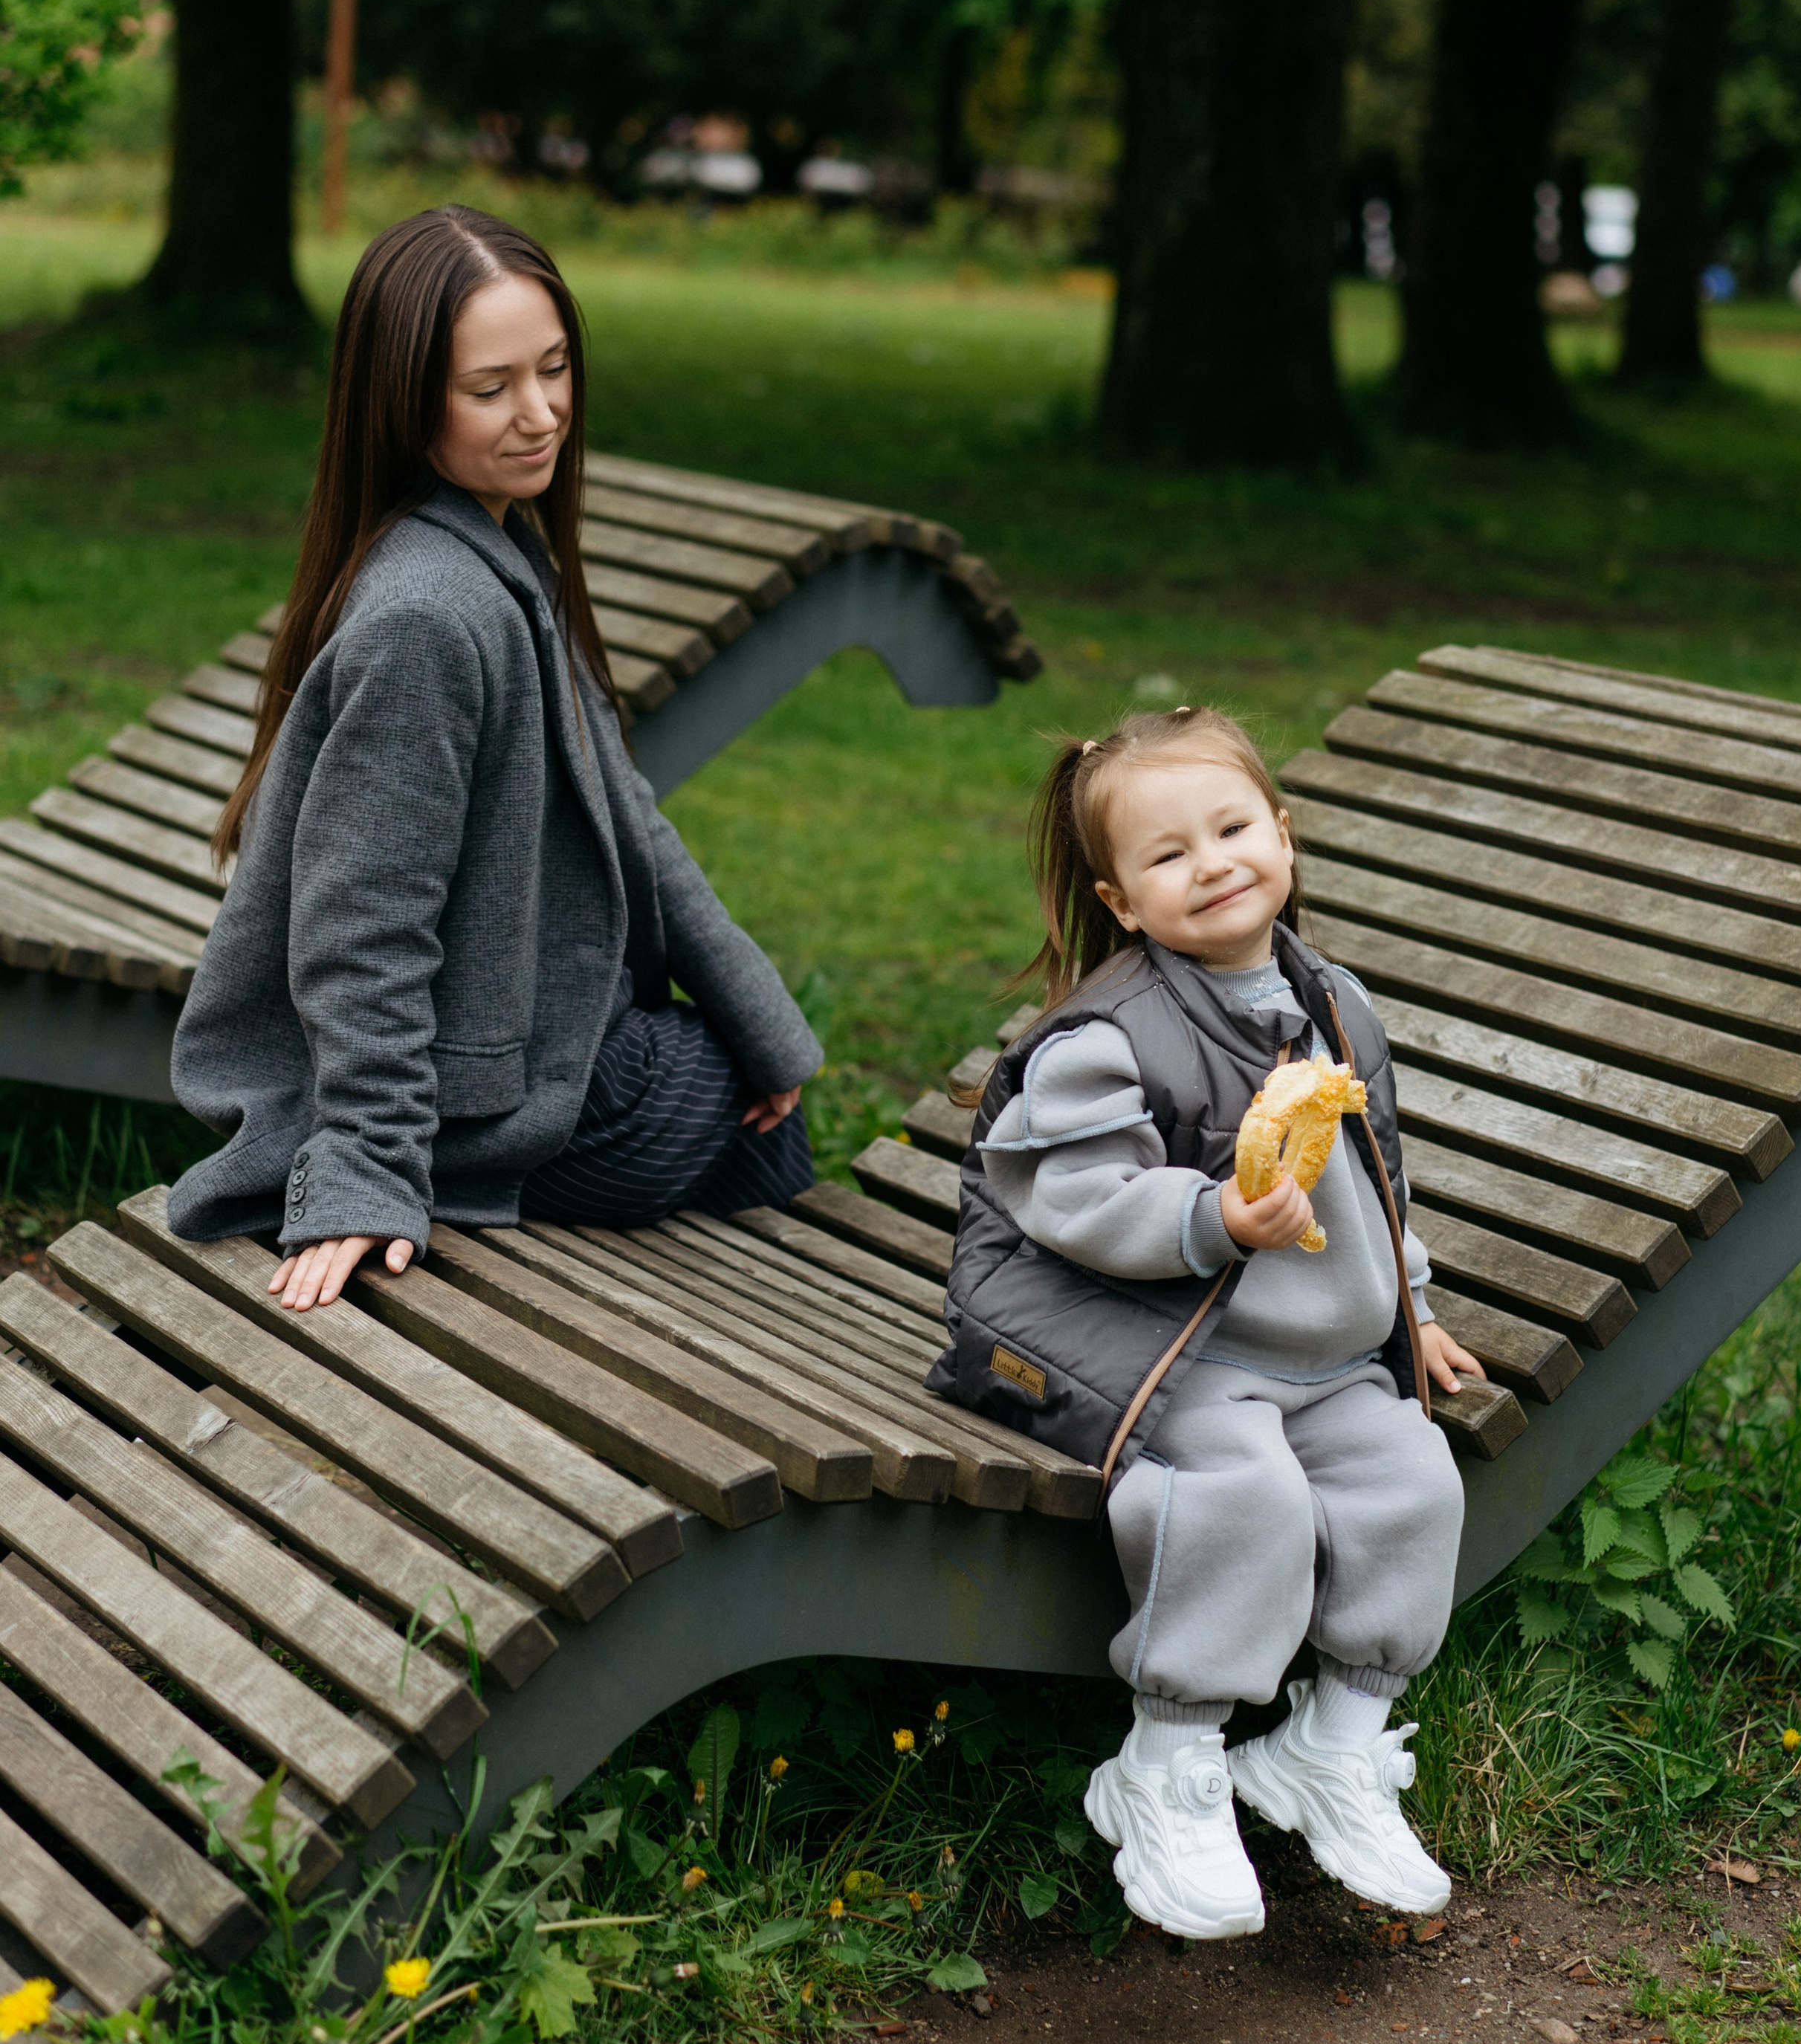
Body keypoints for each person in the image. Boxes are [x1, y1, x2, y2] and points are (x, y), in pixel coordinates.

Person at [168, 204, 821, 1312]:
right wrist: (370, 1165)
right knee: (752, 1128)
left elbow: (626, 810)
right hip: (490, 1099)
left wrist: (762, 1023)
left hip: (532, 1043)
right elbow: (361, 927)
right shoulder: (429, 616)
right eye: (491, 388)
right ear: (403, 401)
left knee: (762, 1106)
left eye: (555, 369)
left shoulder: (498, 550)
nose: (542, 413)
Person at [926, 706, 1482, 1941]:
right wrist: (1211, 1216)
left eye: (1233, 830)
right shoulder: (1110, 1037)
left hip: (1328, 1358)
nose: (1214, 864)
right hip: (1179, 1352)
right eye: (1170, 854)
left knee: (1415, 1483)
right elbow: (1073, 1195)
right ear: (1121, 902)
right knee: (1245, 1499)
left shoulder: (1333, 1002)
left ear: (1282, 835)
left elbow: (1376, 1176)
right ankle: (1167, 1757)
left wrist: (1413, 1306)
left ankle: (1332, 1746)